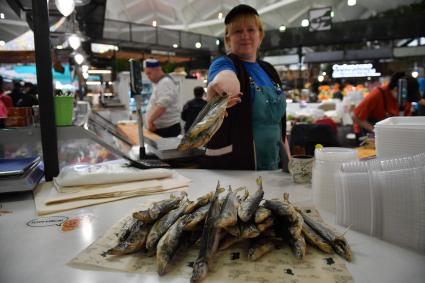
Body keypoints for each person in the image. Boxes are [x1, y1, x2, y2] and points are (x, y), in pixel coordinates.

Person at [203, 4, 291, 170]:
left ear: (260, 35)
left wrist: (289, 161)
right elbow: (227, 79)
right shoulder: (223, 63)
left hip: (274, 164)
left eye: (250, 30)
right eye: (237, 31)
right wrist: (224, 87)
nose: (245, 35)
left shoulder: (269, 70)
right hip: (238, 167)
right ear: (228, 38)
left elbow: (279, 126)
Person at [352, 72, 420, 140]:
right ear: (395, 90)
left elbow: (405, 121)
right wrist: (376, 131)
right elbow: (355, 117)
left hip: (392, 137)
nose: (407, 102)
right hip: (371, 137)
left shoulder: (406, 100)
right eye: (407, 98)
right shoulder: (377, 95)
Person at [144, 59, 181, 138]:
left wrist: (150, 121)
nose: (148, 77)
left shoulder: (165, 82)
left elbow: (162, 105)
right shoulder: (160, 83)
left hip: (167, 130)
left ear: (158, 70)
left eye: (149, 73)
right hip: (163, 129)